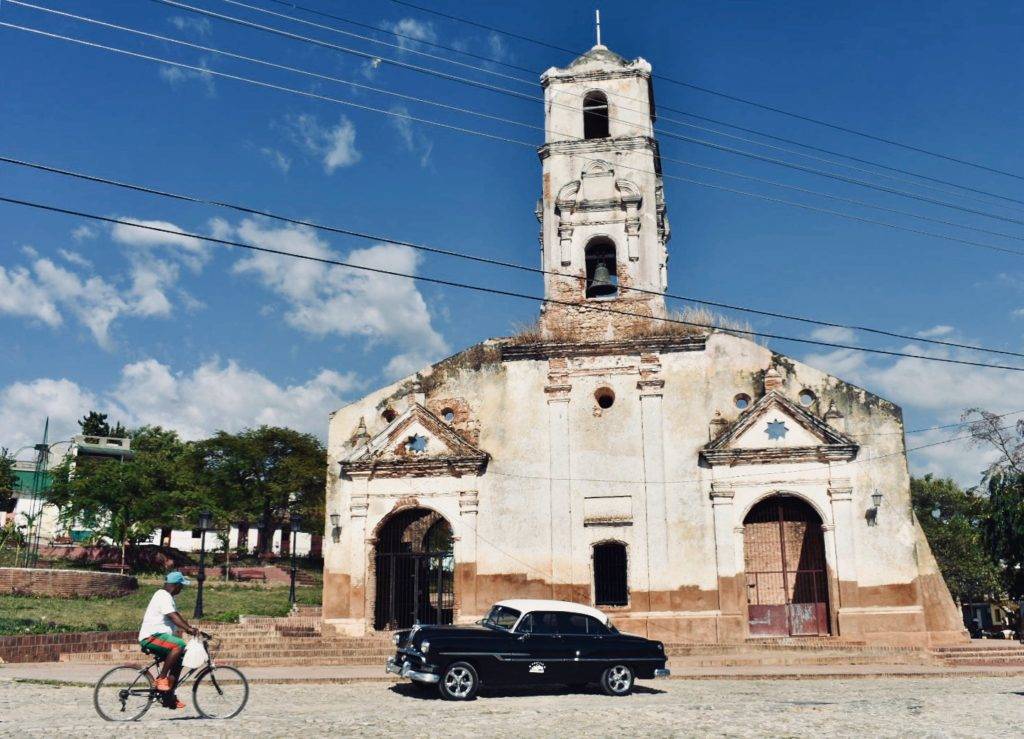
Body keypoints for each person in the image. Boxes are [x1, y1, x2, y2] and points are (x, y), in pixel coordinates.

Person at [138, 571, 199, 709]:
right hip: (152, 637)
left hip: (159, 637)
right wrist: (189, 630)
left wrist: (189, 628)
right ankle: (161, 679)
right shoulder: (163, 595)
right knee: (179, 645)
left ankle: (168, 697)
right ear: (176, 585)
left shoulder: (167, 597)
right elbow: (173, 616)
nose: (181, 589)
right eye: (181, 586)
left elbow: (176, 615)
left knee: (179, 660)